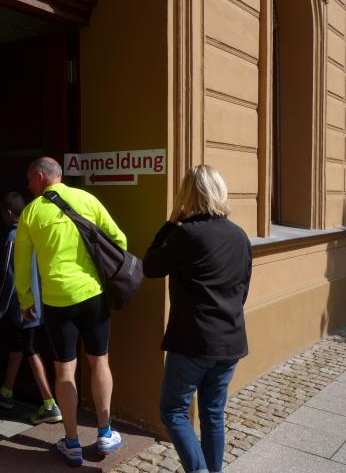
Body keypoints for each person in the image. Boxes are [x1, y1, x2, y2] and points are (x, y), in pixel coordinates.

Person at [14, 157, 127, 466]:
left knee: (65, 369)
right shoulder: (87, 199)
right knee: (99, 361)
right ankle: (105, 433)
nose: (28, 185)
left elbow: (21, 265)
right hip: (92, 294)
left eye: (30, 179)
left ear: (41, 177)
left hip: (56, 301)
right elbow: (119, 239)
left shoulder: (31, 212)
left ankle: (72, 442)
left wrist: (26, 301)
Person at [142, 165, 252, 473]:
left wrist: (168, 225)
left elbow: (150, 266)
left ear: (187, 195)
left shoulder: (185, 234)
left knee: (174, 411)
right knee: (213, 414)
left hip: (192, 342)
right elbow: (242, 290)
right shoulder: (240, 236)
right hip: (229, 340)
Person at [0, 191, 62, 425]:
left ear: (8, 213)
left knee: (30, 349)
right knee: (19, 344)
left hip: (24, 306)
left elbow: (7, 277)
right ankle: (6, 391)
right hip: (39, 301)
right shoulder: (34, 231)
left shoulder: (13, 237)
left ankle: (49, 404)